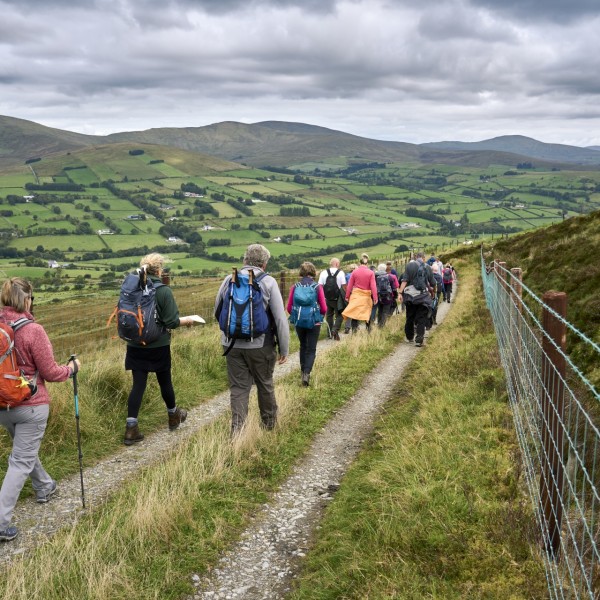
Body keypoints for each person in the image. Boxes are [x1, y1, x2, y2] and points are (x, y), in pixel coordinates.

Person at [0, 278, 81, 542]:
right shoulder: (34, 330)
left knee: (24, 450)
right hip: (32, 406)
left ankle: (44, 486)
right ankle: (1, 523)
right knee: (21, 461)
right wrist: (72, 369)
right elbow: (50, 372)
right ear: (26, 300)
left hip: (3, 404)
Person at [214, 244, 289, 434]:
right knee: (264, 383)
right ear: (264, 264)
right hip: (260, 345)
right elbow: (280, 319)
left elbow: (217, 311)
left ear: (245, 261)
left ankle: (237, 431)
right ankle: (269, 425)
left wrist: (232, 332)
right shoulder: (269, 282)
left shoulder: (228, 279)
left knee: (239, 387)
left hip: (231, 345)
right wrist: (284, 349)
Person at [123, 253, 194, 446]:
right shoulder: (163, 291)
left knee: (138, 385)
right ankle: (173, 416)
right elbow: (171, 321)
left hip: (135, 344)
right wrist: (187, 321)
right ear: (160, 270)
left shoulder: (131, 288)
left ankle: (131, 429)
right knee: (165, 382)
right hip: (158, 344)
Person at [287, 262, 327, 386]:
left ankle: (302, 371)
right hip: (314, 322)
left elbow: (289, 307)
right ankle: (306, 374)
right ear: (313, 272)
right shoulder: (317, 287)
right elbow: (324, 308)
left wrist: (296, 316)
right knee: (311, 348)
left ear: (301, 272)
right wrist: (319, 316)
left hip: (299, 321)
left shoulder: (295, 286)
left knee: (303, 346)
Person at [398, 252, 436, 347]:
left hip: (410, 296)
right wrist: (432, 292)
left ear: (415, 257)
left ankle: (409, 336)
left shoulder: (409, 265)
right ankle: (419, 339)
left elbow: (404, 280)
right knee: (421, 317)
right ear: (423, 258)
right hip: (422, 296)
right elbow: (433, 282)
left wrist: (400, 293)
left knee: (410, 316)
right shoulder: (427, 267)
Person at [343, 253, 377, 333]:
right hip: (366, 296)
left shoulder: (354, 272)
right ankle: (369, 331)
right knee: (367, 313)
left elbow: (350, 286)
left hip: (356, 296)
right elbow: (373, 286)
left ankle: (354, 333)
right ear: (367, 263)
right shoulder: (371, 273)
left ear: (359, 263)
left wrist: (347, 296)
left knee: (354, 314)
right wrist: (375, 297)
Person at [317, 258, 346, 341]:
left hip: (327, 298)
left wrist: (321, 298)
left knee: (329, 315)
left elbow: (320, 286)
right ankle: (335, 329)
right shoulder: (340, 273)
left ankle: (329, 333)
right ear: (336, 264)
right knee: (340, 314)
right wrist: (346, 296)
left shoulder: (323, 272)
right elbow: (344, 286)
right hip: (338, 298)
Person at [374, 263, 398, 327]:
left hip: (379, 297)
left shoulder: (375, 276)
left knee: (380, 311)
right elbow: (393, 288)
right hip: (388, 297)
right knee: (385, 311)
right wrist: (395, 296)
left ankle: (379, 324)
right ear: (385, 269)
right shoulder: (389, 276)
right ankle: (382, 326)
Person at [343, 264, 357, 334]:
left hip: (348, 294)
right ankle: (355, 327)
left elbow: (344, 286)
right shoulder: (357, 275)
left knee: (349, 310)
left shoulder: (346, 276)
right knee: (356, 310)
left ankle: (347, 327)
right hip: (356, 294)